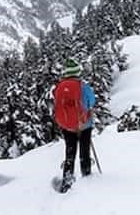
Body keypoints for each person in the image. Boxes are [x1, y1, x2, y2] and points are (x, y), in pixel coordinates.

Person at [53, 58, 96, 192]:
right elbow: (92, 102)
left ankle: (67, 180)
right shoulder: (83, 86)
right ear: (78, 72)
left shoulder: (59, 87)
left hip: (67, 126)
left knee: (70, 152)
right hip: (84, 125)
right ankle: (87, 176)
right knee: (84, 151)